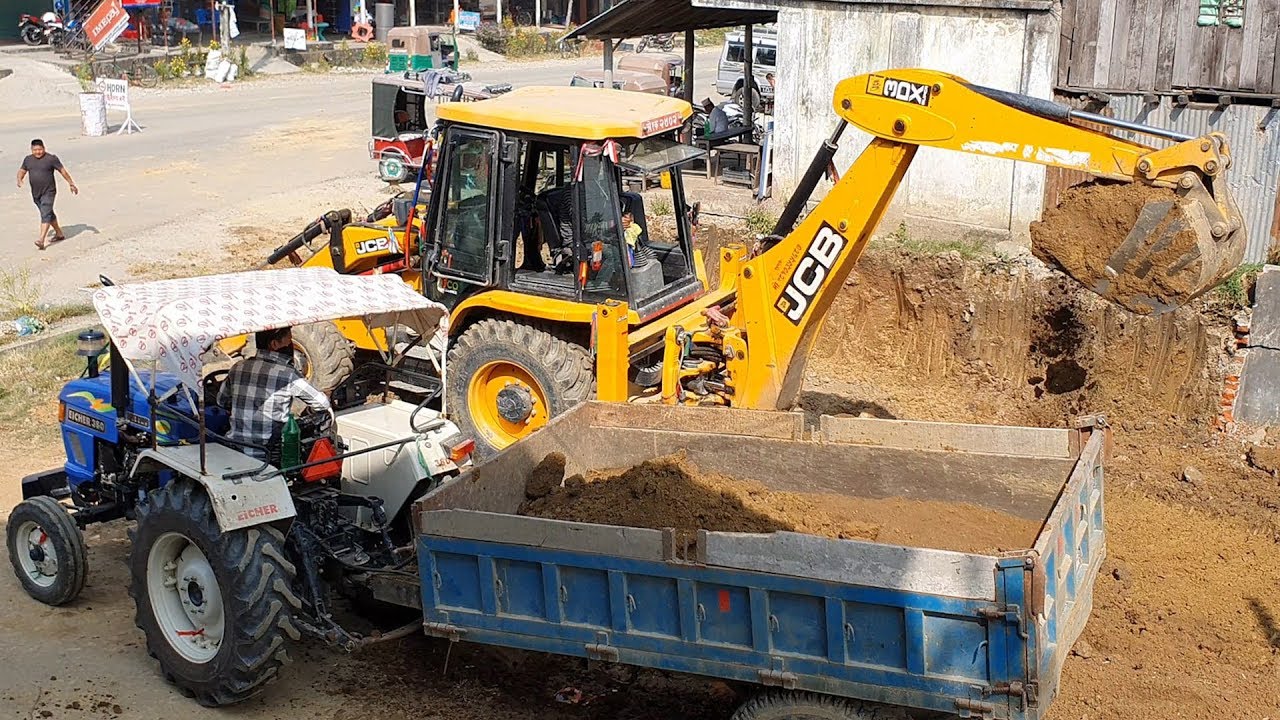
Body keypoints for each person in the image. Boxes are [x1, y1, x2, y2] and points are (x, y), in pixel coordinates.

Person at [217, 326, 332, 462]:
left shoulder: (238, 367)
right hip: (268, 454)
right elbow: (323, 404)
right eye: (289, 340)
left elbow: (221, 401)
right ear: (274, 344)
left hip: (235, 447)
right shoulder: (288, 375)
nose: (291, 344)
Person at [17, 139, 77, 251]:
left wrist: (71, 183)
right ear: (31, 150)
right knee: (48, 213)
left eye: (40, 149)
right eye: (35, 150)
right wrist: (19, 179)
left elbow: (63, 171)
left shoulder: (51, 158)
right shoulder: (28, 159)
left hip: (49, 192)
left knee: (45, 213)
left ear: (44, 148)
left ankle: (41, 240)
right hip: (36, 193)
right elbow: (22, 170)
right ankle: (59, 234)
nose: (38, 152)